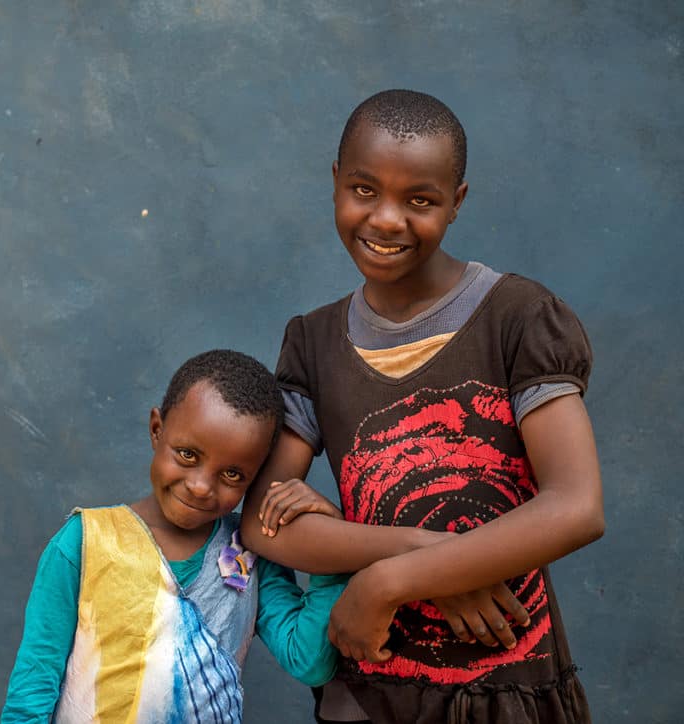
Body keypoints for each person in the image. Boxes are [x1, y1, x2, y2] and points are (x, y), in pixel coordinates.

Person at [239, 89, 604, 724]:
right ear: (334, 182)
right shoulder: (314, 341)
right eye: (363, 190)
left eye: (420, 200)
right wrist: (412, 549)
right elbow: (264, 525)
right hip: (366, 693)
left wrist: (388, 582)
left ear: (456, 202)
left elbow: (576, 508)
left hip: (506, 691)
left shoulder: (517, 319)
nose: (385, 220)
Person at [3, 349, 377, 723]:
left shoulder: (251, 553)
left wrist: (329, 550)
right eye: (186, 454)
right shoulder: (83, 543)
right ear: (156, 429)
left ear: (256, 476)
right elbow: (32, 690)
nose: (201, 487)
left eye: (232, 475)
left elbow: (307, 661)